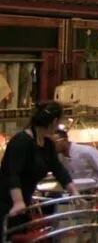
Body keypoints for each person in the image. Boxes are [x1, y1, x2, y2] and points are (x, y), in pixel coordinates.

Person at [0, 102, 78, 241]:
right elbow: (11, 173)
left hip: (23, 202)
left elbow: (58, 168)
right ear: (54, 121)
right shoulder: (21, 141)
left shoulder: (47, 143)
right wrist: (18, 201)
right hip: (7, 202)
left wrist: (73, 190)